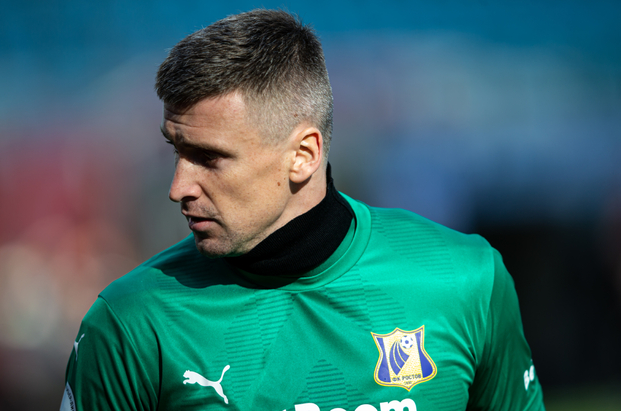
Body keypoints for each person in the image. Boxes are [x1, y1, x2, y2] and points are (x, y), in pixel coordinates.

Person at [61, 9, 544, 411]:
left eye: (209, 158)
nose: (178, 188)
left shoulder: (464, 281)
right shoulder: (132, 322)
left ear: (303, 155)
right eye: (177, 151)